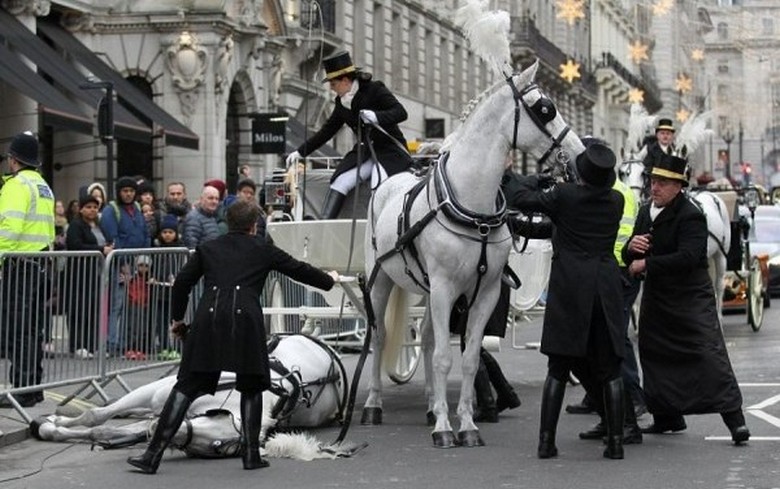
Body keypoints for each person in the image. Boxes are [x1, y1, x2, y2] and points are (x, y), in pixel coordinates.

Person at [126, 200, 339, 474]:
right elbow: (301, 270)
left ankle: (151, 456)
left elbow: (181, 283)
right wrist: (330, 279)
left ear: (228, 223)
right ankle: (251, 455)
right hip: (245, 321)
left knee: (187, 386)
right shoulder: (263, 249)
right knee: (251, 386)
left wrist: (178, 319)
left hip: (209, 319)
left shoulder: (208, 248)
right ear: (254, 226)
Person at [504, 141, 627, 460]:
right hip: (604, 284)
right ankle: (615, 443)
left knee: (558, 367)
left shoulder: (565, 195)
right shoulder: (613, 200)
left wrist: (533, 178)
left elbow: (518, 198)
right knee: (609, 367)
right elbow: (564, 224)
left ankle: (546, 442)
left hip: (571, 287)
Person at [622, 153, 750, 445]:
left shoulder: (690, 213)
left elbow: (690, 257)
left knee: (709, 355)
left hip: (690, 297)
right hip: (658, 298)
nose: (654, 188)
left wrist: (647, 264)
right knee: (655, 355)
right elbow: (629, 255)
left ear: (678, 186)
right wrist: (631, 248)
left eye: (662, 183)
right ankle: (666, 417)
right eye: (653, 181)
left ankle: (735, 420)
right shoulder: (645, 212)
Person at [285, 51, 413, 219]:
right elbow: (327, 131)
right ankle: (325, 226)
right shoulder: (341, 102)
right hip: (366, 152)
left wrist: (377, 117)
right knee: (340, 182)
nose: (331, 87)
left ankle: (376, 231)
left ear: (345, 80)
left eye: (333, 83)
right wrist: (301, 152)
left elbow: (401, 113)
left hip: (390, 151)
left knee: (378, 184)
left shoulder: (375, 89)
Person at [0, 131, 55, 407]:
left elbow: (8, 227)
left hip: (19, 264)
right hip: (40, 263)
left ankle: (21, 389)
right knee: (33, 328)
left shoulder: (16, 185)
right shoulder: (43, 185)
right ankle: (33, 387)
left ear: (13, 160)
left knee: (17, 328)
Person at [101, 176, 149, 355]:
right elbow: (113, 238)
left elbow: (145, 232)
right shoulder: (110, 210)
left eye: (131, 191)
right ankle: (112, 344)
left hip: (136, 263)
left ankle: (125, 342)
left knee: (131, 305)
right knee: (117, 304)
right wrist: (123, 263)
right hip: (118, 265)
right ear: (119, 192)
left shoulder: (136, 208)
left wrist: (144, 256)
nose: (128, 194)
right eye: (125, 191)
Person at [65, 194, 114, 359]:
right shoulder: (76, 225)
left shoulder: (99, 225)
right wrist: (100, 249)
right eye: (88, 207)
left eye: (95, 207)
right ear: (81, 209)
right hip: (79, 274)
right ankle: (78, 344)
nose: (92, 210)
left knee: (93, 310)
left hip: (96, 273)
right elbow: (75, 245)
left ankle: (93, 345)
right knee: (79, 309)